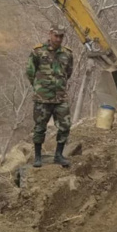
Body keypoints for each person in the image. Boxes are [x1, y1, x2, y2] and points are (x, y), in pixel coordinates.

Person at [26, 26, 74, 168]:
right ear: (50, 34)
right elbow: (30, 71)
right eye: (56, 36)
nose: (58, 39)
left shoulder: (67, 54)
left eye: (61, 36)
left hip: (60, 98)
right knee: (40, 127)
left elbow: (68, 72)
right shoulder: (38, 52)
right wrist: (39, 87)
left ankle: (58, 155)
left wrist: (59, 85)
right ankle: (38, 157)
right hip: (42, 98)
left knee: (65, 125)